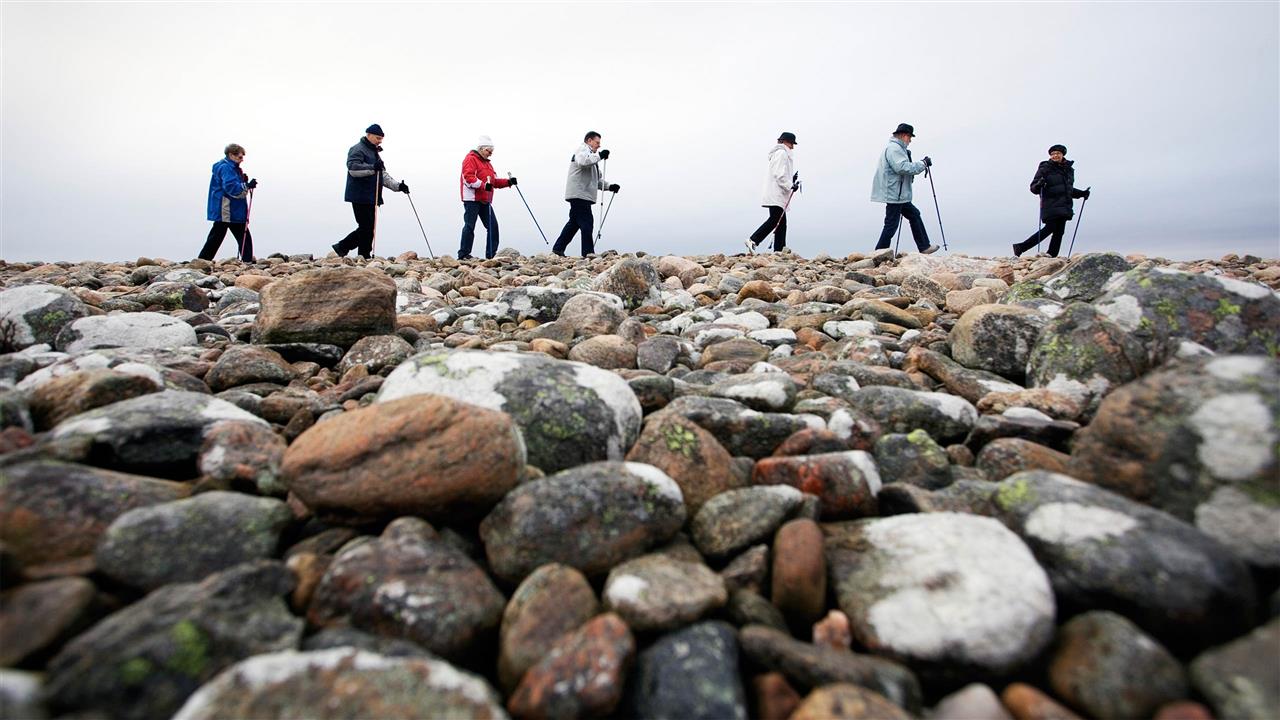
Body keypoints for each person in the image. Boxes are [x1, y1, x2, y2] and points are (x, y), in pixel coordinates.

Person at [333, 124, 409, 259]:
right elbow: (353, 170)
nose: (379, 141)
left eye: (381, 139)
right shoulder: (357, 149)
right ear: (368, 135)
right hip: (359, 195)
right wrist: (373, 167)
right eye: (378, 138)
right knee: (366, 227)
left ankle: (362, 254)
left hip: (371, 196)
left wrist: (398, 187)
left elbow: (382, 175)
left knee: (368, 227)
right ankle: (344, 247)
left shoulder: (375, 153)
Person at [871, 123, 939, 255]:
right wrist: (922, 164)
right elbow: (902, 167)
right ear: (903, 135)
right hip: (895, 193)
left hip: (898, 193)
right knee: (892, 224)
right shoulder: (894, 149)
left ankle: (924, 247)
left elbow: (903, 166)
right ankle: (879, 253)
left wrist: (919, 163)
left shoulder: (897, 148)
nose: (910, 140)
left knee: (913, 215)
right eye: (909, 137)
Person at [1013, 144, 1090, 258]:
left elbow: (1067, 189)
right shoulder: (1045, 168)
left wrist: (1081, 193)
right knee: (1050, 228)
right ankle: (1021, 247)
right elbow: (1034, 187)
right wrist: (1039, 185)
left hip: (1065, 205)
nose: (1055, 156)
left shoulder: (1069, 170)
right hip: (1050, 204)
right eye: (1053, 154)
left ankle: (1052, 254)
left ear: (1063, 154)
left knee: (1059, 231)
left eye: (1057, 153)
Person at [551, 131, 619, 257]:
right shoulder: (582, 150)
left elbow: (596, 181)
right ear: (589, 141)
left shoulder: (592, 157)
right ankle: (588, 253)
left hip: (581, 194)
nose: (599, 145)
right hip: (579, 194)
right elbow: (582, 162)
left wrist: (610, 186)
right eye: (597, 142)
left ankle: (558, 249)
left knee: (574, 223)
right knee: (587, 221)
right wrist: (600, 155)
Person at [457, 136, 516, 260]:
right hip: (472, 199)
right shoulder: (470, 159)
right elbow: (468, 178)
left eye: (492, 152)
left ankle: (491, 255)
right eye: (489, 151)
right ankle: (463, 254)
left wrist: (509, 182)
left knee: (493, 226)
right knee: (469, 225)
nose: (490, 154)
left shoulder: (488, 164)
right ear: (482, 149)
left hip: (485, 200)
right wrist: (484, 186)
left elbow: (494, 182)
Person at [198, 143, 257, 262]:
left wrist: (243, 181)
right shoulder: (226, 168)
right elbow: (230, 187)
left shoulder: (230, 168)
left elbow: (232, 185)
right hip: (226, 207)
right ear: (231, 155)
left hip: (230, 208)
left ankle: (203, 260)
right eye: (240, 157)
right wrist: (246, 185)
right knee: (226, 233)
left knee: (221, 234)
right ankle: (247, 261)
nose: (242, 160)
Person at [745, 131, 799, 255]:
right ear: (785, 142)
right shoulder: (782, 153)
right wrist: (791, 185)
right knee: (775, 220)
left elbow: (780, 173)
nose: (792, 146)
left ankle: (779, 250)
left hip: (777, 193)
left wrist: (792, 180)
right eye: (791, 143)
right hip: (776, 194)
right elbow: (779, 174)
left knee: (781, 223)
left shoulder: (780, 154)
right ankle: (753, 240)